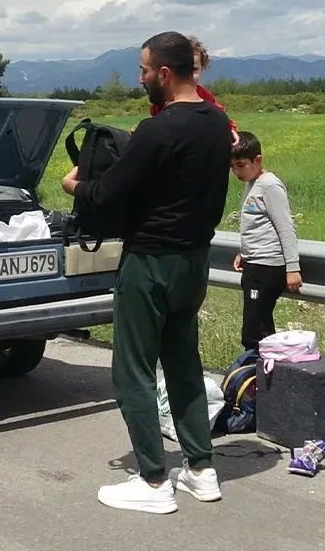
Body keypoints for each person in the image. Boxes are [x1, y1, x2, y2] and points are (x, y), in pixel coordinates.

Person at [62, 31, 231, 514]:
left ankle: (154, 480)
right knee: (182, 362)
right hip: (194, 260)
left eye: (142, 71)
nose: (139, 79)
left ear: (163, 73)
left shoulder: (157, 130)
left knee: (131, 370)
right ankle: (200, 468)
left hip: (150, 261)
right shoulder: (217, 124)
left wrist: (75, 185)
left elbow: (110, 193)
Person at [230, 131, 301, 353]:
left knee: (255, 331)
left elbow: (285, 227)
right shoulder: (253, 184)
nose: (236, 172)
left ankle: (259, 375)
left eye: (241, 165)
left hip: (267, 266)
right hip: (254, 263)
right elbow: (257, 226)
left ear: (257, 160)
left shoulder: (270, 185)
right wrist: (244, 251)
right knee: (258, 326)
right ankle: (264, 376)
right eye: (232, 167)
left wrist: (292, 268)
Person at [150, 36, 239, 144]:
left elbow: (220, 115)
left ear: (203, 67)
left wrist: (231, 129)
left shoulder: (204, 96)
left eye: (194, 70)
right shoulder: (164, 95)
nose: (188, 75)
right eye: (183, 69)